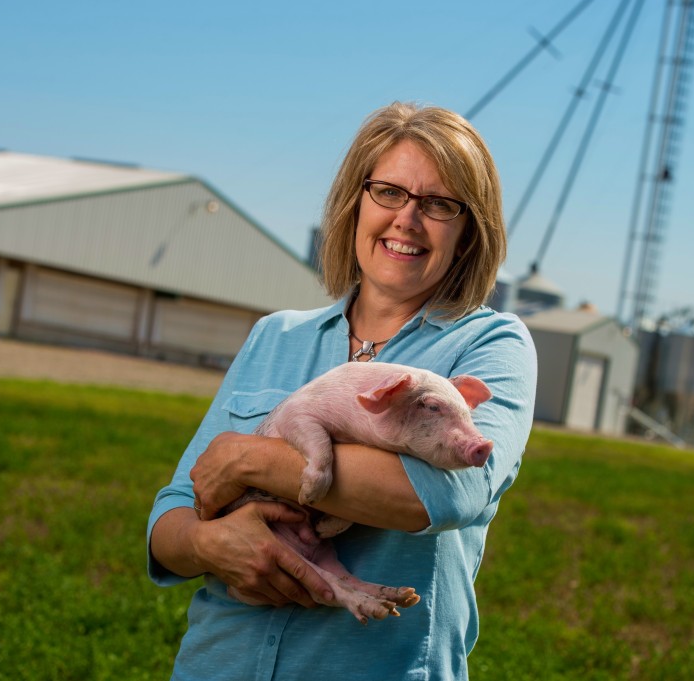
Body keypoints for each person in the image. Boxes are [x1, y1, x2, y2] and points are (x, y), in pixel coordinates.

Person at [147, 101, 537, 680]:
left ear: (468, 231)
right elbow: (173, 516)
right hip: (219, 661)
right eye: (388, 192)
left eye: (438, 204)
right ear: (355, 203)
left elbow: (449, 493)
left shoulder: (491, 344)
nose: (407, 219)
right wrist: (213, 547)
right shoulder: (276, 336)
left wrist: (248, 457)